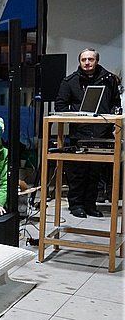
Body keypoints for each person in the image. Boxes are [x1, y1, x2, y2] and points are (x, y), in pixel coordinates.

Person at [56, 48, 121, 218]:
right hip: (80, 134)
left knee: (95, 173)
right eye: (83, 59)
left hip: (102, 133)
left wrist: (111, 121)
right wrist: (79, 114)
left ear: (96, 61)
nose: (87, 63)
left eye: (90, 59)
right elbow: (60, 106)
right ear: (79, 61)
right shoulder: (70, 81)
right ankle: (76, 205)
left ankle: (90, 205)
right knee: (78, 172)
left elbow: (115, 103)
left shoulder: (109, 80)